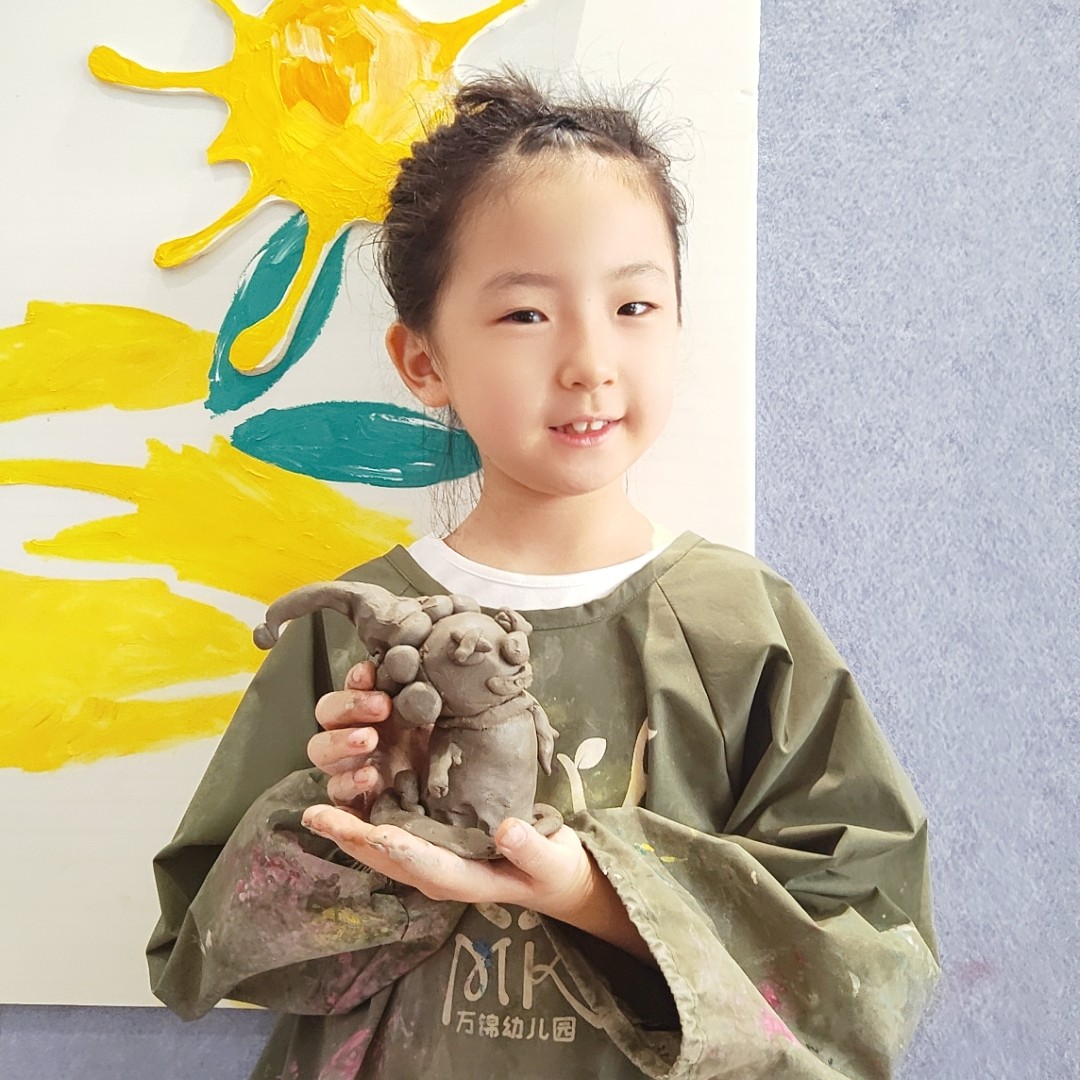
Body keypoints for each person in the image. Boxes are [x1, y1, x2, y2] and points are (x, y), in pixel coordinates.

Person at [147, 72, 939, 1079]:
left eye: (634, 304)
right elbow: (206, 947)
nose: (590, 361)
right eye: (526, 314)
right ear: (423, 361)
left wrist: (588, 891)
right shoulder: (349, 635)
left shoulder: (740, 624)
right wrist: (355, 813)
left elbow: (868, 958)